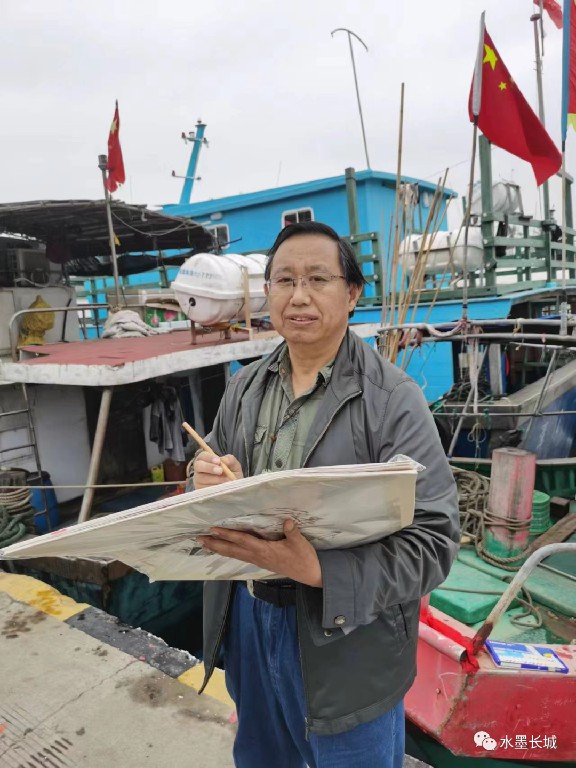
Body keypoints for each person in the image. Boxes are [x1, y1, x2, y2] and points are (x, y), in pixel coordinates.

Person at [192, 221, 459, 768]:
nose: (300, 296)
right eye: (284, 280)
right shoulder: (243, 388)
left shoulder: (393, 401)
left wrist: (318, 570)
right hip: (249, 620)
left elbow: (434, 543)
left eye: (319, 278)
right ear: (267, 293)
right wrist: (206, 478)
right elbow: (206, 476)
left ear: (353, 293)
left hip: (348, 637)